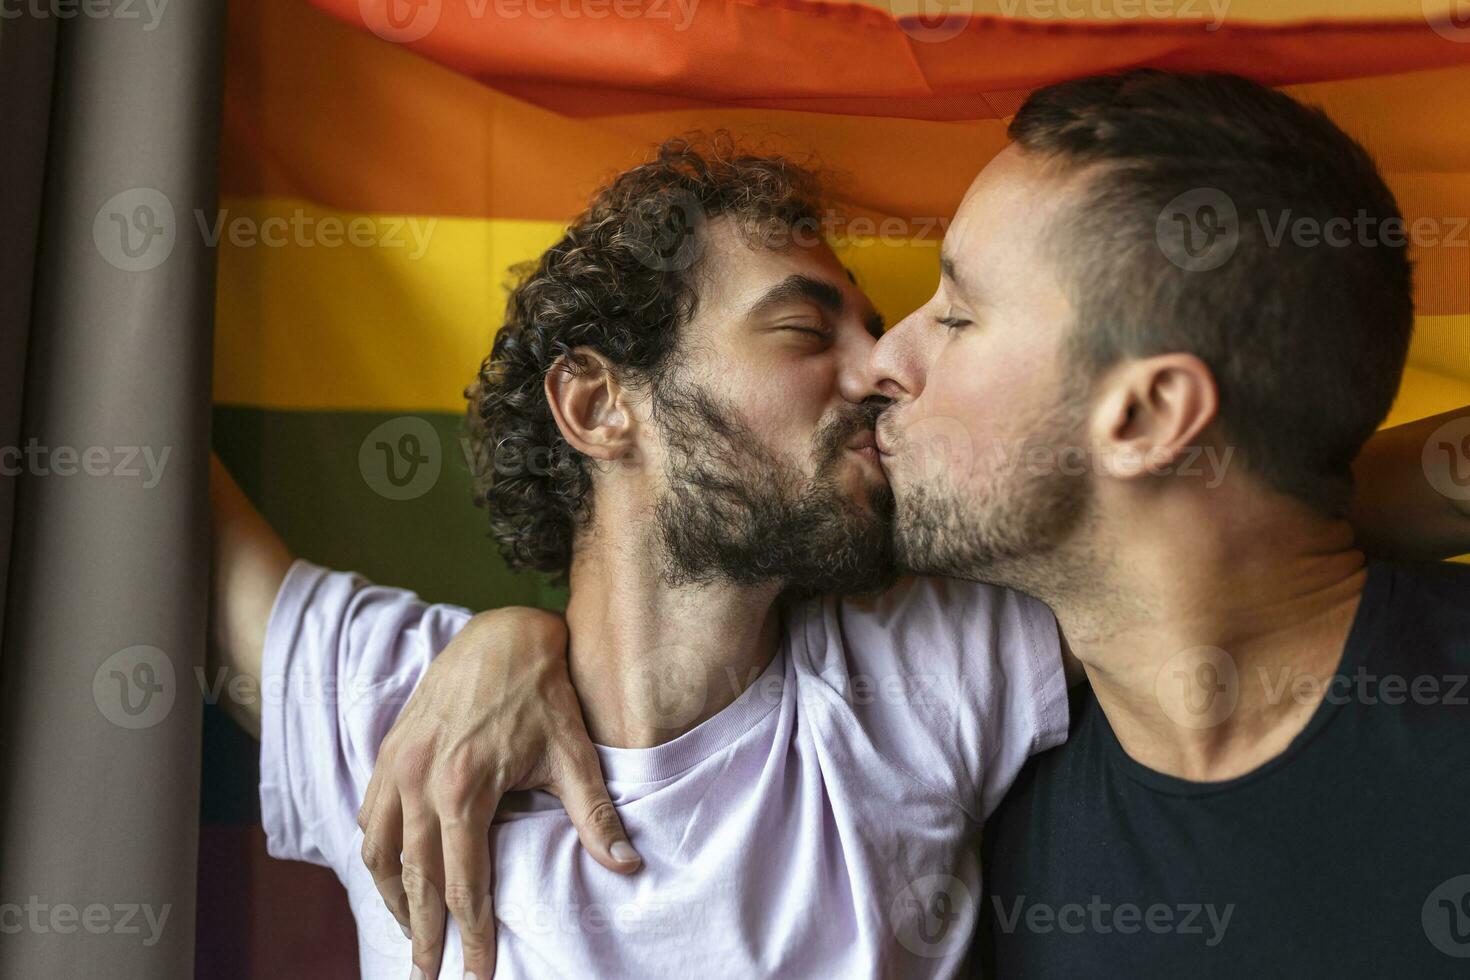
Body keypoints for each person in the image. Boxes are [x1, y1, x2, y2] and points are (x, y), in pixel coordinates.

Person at [341, 71, 1470, 976]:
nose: (885, 361)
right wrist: (521, 637)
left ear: (1148, 414)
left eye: (960, 314)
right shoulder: (984, 789)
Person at [211, 136, 1074, 979]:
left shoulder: (923, 673)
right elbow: (118, 420)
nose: (880, 368)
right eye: (806, 329)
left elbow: (1173, 558)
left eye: (871, 330)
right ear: (596, 406)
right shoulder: (391, 705)